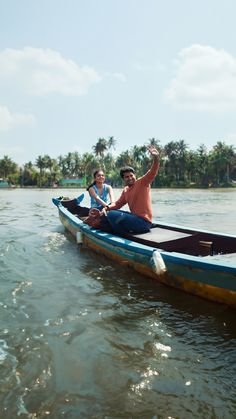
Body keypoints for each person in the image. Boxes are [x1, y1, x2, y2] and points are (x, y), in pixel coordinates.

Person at [103, 146, 160, 235]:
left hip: (143, 222)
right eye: (126, 177)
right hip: (135, 219)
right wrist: (106, 208)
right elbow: (118, 204)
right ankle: (120, 230)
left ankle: (122, 235)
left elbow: (153, 171)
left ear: (135, 175)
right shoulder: (126, 190)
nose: (129, 178)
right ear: (123, 179)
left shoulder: (142, 182)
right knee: (111, 213)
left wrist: (156, 158)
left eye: (131, 176)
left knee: (111, 215)